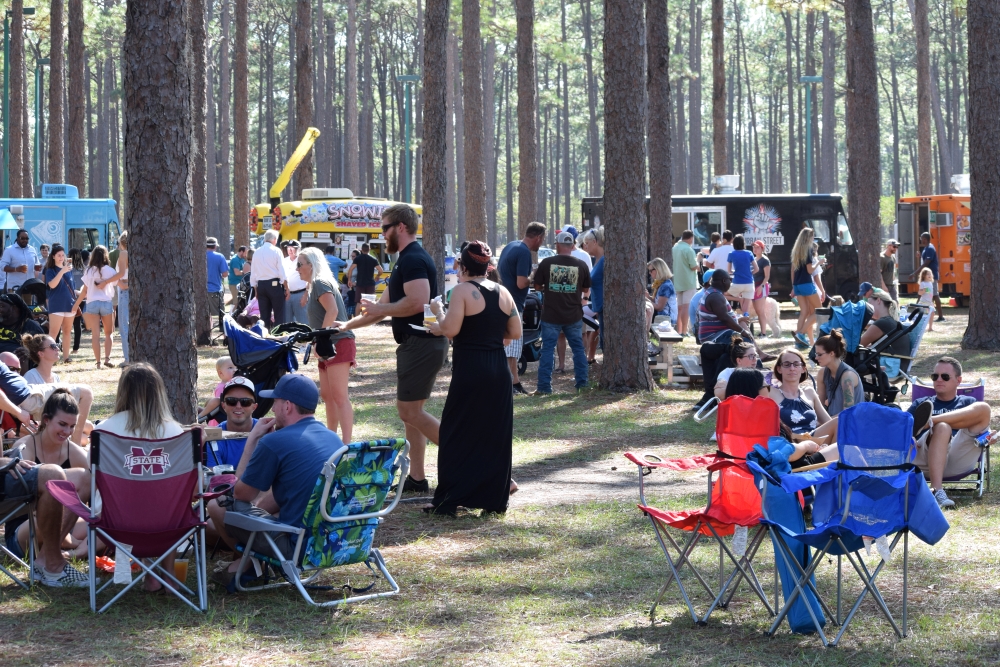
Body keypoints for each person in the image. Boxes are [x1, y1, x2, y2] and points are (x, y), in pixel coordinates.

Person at [335, 203, 447, 493]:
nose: (381, 234)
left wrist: (379, 307)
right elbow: (382, 310)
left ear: (400, 227)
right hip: (419, 345)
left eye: (384, 228)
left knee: (409, 412)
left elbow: (416, 301)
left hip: (420, 345)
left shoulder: (411, 259)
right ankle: (417, 479)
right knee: (413, 414)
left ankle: (473, 457)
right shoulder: (405, 260)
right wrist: (346, 326)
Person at [207, 373, 342, 586]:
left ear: (287, 406)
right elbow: (293, 491)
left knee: (217, 505)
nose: (272, 409)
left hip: (296, 546)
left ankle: (250, 564)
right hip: (332, 541)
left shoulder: (275, 441)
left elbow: (240, 496)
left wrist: (252, 440)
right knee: (272, 505)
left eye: (276, 402)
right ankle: (248, 565)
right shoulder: (332, 437)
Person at [425, 240, 521, 515]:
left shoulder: (462, 291)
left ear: (464, 266)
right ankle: (493, 499)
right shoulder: (503, 292)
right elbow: (514, 332)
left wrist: (437, 313)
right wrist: (487, 335)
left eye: (457, 265)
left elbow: (452, 329)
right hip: (498, 369)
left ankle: (449, 498)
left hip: (471, 368)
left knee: (456, 431)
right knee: (494, 434)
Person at [93, 363, 186, 590]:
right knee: (165, 501)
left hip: (116, 523)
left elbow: (94, 476)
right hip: (169, 524)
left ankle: (135, 572)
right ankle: (167, 573)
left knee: (124, 498)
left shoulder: (103, 431)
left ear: (123, 391)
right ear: (159, 393)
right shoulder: (177, 433)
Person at [6, 390, 94, 563]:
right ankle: (69, 546)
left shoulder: (74, 452)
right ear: (46, 420)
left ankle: (65, 550)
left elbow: (93, 490)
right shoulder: (25, 447)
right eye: (62, 424)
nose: (67, 431)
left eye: (72, 426)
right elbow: (18, 504)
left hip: (61, 527)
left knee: (106, 527)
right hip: (26, 529)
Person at [907, 357, 993, 509]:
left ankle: (930, 421)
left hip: (956, 457)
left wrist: (990, 436)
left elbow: (984, 427)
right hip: (923, 458)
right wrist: (908, 437)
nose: (939, 380)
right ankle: (937, 490)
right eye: (935, 376)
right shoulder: (922, 403)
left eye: (945, 376)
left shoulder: (968, 402)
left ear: (958, 380)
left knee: (984, 409)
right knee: (942, 428)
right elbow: (902, 429)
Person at [296, 246, 355, 443]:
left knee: (339, 396)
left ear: (311, 265)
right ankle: (332, 439)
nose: (297, 268)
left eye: (300, 264)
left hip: (337, 342)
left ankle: (346, 446)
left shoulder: (321, 282)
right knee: (328, 395)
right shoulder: (314, 284)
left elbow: (332, 310)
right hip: (327, 343)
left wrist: (320, 339)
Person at [533, 231, 591, 395]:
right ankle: (582, 383)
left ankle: (544, 387)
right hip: (573, 315)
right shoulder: (581, 265)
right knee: (578, 350)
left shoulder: (547, 263)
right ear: (572, 246)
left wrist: (549, 288)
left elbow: (537, 287)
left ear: (557, 245)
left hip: (551, 315)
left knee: (547, 350)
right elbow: (586, 289)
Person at [693, 270, 754, 410]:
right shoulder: (715, 296)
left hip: (718, 334)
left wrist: (739, 322)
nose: (730, 283)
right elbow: (724, 318)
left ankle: (710, 395)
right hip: (715, 336)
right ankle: (756, 364)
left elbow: (726, 318)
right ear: (723, 281)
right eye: (729, 280)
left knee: (727, 355)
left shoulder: (714, 293)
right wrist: (742, 330)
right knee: (739, 342)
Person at [498, 222, 545, 394]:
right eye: (543, 240)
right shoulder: (524, 252)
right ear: (538, 237)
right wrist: (534, 274)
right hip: (513, 304)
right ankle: (510, 384)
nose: (542, 244)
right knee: (512, 348)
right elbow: (521, 282)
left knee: (509, 347)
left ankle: (515, 382)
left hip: (503, 300)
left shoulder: (511, 245)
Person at [71, 245, 117, 368]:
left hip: (91, 303)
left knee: (95, 335)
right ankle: (107, 358)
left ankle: (98, 362)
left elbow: (84, 291)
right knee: (109, 333)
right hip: (106, 302)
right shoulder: (110, 270)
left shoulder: (89, 271)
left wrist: (75, 305)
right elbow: (117, 283)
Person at [96, 232, 131, 365]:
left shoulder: (124, 253)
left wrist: (106, 282)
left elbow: (121, 273)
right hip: (130, 287)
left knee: (124, 325)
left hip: (124, 289)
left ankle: (128, 358)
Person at [209, 376, 258, 468]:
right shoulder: (214, 437)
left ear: (254, 407)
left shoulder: (266, 434)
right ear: (223, 405)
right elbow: (215, 479)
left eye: (245, 401)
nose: (238, 406)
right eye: (231, 401)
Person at [814, 329, 863, 417]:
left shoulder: (847, 376)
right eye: (816, 354)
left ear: (832, 353)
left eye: (819, 354)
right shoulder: (822, 373)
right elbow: (819, 406)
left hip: (850, 425)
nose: (816, 358)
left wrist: (824, 423)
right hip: (831, 422)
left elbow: (847, 413)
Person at [249, 230, 290, 328]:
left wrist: (255, 289)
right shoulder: (276, 251)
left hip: (261, 286)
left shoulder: (257, 252)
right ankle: (278, 338)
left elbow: (253, 273)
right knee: (279, 315)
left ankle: (264, 338)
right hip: (274, 285)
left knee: (264, 317)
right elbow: (282, 272)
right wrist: (287, 288)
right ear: (275, 240)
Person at [43, 244, 76, 364]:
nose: (61, 257)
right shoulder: (50, 270)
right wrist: (62, 271)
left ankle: (66, 357)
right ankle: (50, 358)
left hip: (69, 304)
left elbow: (72, 287)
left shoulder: (69, 270)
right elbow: (52, 285)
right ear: (53, 257)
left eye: (63, 255)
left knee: (67, 331)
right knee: (54, 332)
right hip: (56, 304)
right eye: (59, 255)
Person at [790, 227, 821, 348]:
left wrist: (793, 286)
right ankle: (801, 333)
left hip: (797, 285)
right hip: (807, 284)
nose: (813, 239)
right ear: (809, 237)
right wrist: (819, 262)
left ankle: (798, 342)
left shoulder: (796, 251)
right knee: (819, 311)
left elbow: (793, 270)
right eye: (812, 236)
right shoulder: (807, 249)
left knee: (804, 312)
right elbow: (810, 270)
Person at [860, 288, 910, 358]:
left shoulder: (882, 323)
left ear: (878, 300)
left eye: (870, 304)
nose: (868, 308)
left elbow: (859, 344)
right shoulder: (890, 321)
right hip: (897, 364)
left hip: (890, 366)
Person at [581, 226, 605, 363]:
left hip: (603, 307)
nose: (585, 246)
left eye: (587, 243)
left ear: (595, 242)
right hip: (598, 307)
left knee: (606, 342)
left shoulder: (603, 261)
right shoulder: (597, 260)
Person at [912, 232, 944, 322]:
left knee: (935, 295)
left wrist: (915, 273)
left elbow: (926, 263)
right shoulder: (926, 248)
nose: (921, 240)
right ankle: (917, 312)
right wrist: (919, 257)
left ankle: (941, 316)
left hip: (931, 276)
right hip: (925, 276)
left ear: (925, 239)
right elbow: (924, 261)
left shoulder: (930, 248)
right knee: (921, 293)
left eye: (921, 238)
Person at [672, 231, 699, 336]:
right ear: (691, 238)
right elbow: (693, 266)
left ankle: (679, 330)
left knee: (679, 307)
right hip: (688, 281)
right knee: (686, 307)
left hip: (677, 281)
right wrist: (698, 262)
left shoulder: (674, 248)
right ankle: (684, 330)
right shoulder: (688, 249)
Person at [197, 356, 238, 420]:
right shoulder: (222, 387)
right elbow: (217, 405)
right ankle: (200, 417)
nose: (235, 370)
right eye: (230, 368)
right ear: (220, 373)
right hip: (219, 420)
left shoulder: (234, 385)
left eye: (236, 367)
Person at [726, 234, 758, 315]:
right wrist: (750, 273)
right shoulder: (749, 253)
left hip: (737, 282)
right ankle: (745, 323)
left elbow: (729, 271)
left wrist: (735, 272)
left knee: (722, 294)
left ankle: (738, 300)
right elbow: (756, 269)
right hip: (749, 283)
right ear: (743, 243)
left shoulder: (731, 254)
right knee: (745, 309)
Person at [205, 237, 229, 330]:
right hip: (215, 289)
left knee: (205, 313)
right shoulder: (219, 256)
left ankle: (207, 331)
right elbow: (225, 274)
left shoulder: (199, 255)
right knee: (221, 313)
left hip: (200, 290)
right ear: (215, 246)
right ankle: (223, 332)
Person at [647, 258, 676, 325]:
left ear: (658, 270)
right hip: (662, 317)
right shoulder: (661, 283)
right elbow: (656, 302)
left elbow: (659, 307)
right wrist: (648, 297)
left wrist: (645, 300)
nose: (649, 273)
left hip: (667, 319)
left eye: (651, 271)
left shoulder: (666, 286)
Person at [750, 240, 771, 330]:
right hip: (753, 287)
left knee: (760, 311)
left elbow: (767, 277)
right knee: (757, 311)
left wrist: (761, 287)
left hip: (761, 287)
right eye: (754, 247)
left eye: (757, 247)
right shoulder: (753, 259)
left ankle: (763, 333)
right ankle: (762, 331)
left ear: (762, 249)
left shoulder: (765, 260)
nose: (755, 249)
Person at [917, 267, 936, 332]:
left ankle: (930, 327)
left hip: (929, 302)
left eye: (930, 274)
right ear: (924, 275)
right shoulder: (923, 283)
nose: (929, 275)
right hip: (924, 302)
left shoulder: (930, 283)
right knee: (923, 315)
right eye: (928, 274)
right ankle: (921, 326)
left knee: (932, 313)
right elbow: (919, 292)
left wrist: (932, 302)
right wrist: (923, 290)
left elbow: (931, 294)